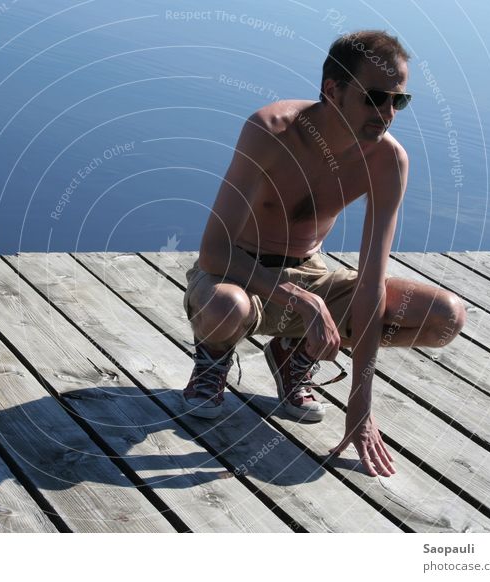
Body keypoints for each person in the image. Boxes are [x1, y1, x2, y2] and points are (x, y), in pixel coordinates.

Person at [181, 30, 467, 478]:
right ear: (333, 90)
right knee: (224, 307)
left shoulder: (388, 161)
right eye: (375, 98)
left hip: (307, 272)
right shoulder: (272, 131)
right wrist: (302, 300)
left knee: (444, 317)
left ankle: (293, 353)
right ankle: (213, 358)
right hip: (238, 271)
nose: (387, 114)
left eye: (399, 101)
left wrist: (360, 407)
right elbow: (214, 251)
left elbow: (372, 282)